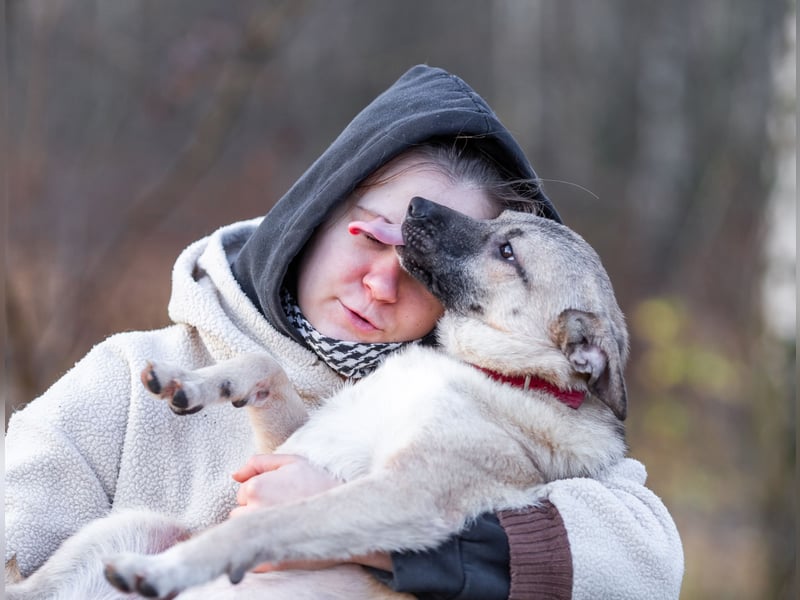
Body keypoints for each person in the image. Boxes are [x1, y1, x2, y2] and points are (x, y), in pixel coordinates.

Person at [5, 65, 684, 598]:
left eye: (420, 273)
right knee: (128, 537)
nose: (380, 284)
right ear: (317, 210)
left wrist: (396, 544)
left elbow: (646, 561)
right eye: (368, 236)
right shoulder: (127, 377)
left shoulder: (510, 414)